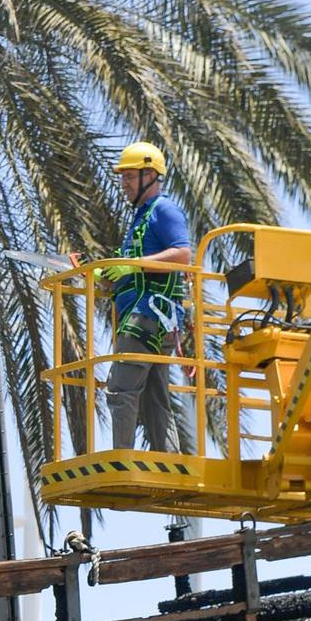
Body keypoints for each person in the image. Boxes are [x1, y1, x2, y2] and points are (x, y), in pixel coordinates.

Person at [102, 142, 196, 453]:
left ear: (150, 176)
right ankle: (167, 461)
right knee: (155, 396)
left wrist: (133, 264)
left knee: (121, 388)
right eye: (123, 178)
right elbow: (142, 263)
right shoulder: (141, 218)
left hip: (148, 316)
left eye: (129, 177)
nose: (124, 185)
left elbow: (183, 254)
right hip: (152, 317)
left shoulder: (164, 210)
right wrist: (113, 274)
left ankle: (121, 458)